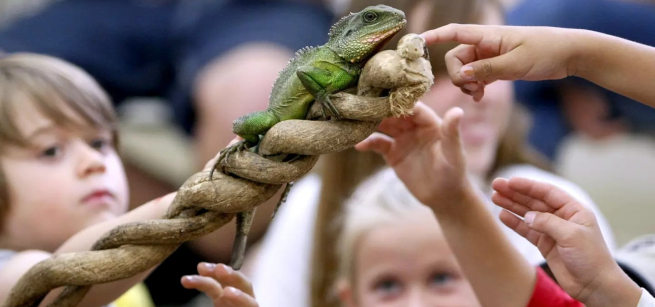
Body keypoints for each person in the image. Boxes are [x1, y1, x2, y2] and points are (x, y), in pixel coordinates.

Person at [247, 1, 616, 307]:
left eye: (497, 66)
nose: (479, 94)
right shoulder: (312, 207)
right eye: (439, 70)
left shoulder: (551, 209)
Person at [0, 52, 233, 306]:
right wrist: (185, 200)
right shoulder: (6, 276)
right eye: (51, 150)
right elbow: (53, 277)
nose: (94, 161)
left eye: (99, 143)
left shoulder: (128, 293)